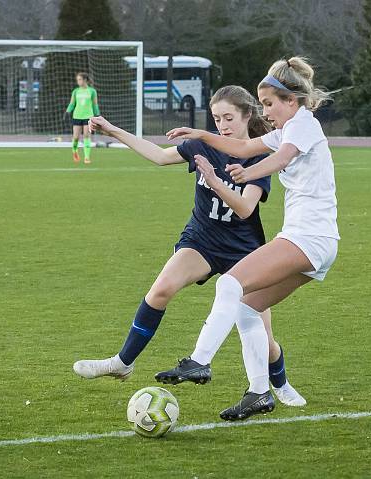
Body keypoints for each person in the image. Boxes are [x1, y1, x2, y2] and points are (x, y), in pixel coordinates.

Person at [72, 85, 307, 407]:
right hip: (202, 239)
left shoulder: (259, 155)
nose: (222, 125)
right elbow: (158, 156)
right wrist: (113, 130)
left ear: (247, 116)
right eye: (216, 118)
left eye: (228, 118)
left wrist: (213, 180)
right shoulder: (202, 144)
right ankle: (122, 362)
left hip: (245, 249)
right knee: (161, 290)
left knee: (263, 340)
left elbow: (244, 209)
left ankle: (280, 385)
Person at [157, 57, 339, 421]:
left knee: (229, 284)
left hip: (309, 237)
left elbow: (277, 159)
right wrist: (200, 135)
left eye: (270, 103)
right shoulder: (286, 130)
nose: (266, 111)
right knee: (247, 307)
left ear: (292, 100)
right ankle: (260, 393)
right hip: (314, 242)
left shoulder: (304, 125)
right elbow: (241, 148)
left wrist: (244, 175)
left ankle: (199, 361)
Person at [65, 72, 99, 164]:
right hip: (77, 116)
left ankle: (87, 157)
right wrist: (68, 111)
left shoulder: (92, 91)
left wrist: (98, 114)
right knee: (76, 137)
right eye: (77, 80)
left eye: (80, 79)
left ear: (85, 80)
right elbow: (72, 103)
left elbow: (95, 104)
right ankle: (75, 152)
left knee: (86, 135)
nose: (78, 82)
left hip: (88, 116)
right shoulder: (76, 91)